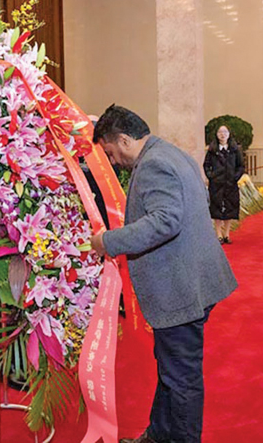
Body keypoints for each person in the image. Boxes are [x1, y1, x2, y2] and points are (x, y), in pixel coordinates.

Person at [88, 105, 238, 443]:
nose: (113, 162)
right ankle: (158, 434)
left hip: (180, 288)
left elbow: (165, 221)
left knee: (181, 378)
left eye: (111, 153)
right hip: (194, 280)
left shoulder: (154, 164)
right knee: (170, 368)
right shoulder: (170, 152)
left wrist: (107, 242)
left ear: (124, 140)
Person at [203, 125, 245, 244]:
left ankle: (227, 234)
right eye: (220, 132)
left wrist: (235, 177)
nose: (223, 134)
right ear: (216, 134)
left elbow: (241, 166)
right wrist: (211, 176)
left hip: (230, 183)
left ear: (229, 134)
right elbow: (206, 165)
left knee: (230, 207)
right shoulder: (212, 150)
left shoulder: (235, 149)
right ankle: (219, 234)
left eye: (225, 132)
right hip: (216, 184)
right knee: (216, 207)